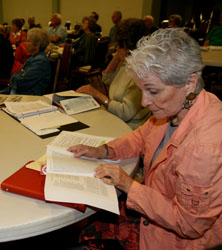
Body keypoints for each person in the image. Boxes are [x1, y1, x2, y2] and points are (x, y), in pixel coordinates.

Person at [68, 28, 222, 250]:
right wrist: (103, 151)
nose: (143, 102)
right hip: (158, 211)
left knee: (86, 231)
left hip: (175, 241)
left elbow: (188, 225)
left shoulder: (204, 149)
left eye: (153, 91)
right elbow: (141, 137)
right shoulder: (180, 105)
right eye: (142, 90)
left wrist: (129, 185)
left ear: (190, 82)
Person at [76, 18, 151, 130]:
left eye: (120, 45)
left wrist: (96, 94)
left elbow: (125, 112)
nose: (117, 48)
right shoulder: (128, 63)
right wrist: (117, 56)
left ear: (129, 47)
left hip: (127, 128)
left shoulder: (140, 72)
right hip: (113, 118)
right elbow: (106, 78)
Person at [9, 28, 51, 95]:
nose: (25, 43)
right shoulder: (33, 58)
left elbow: (20, 82)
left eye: (28, 41)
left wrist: (14, 77)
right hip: (18, 93)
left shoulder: (40, 61)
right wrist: (16, 77)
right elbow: (18, 77)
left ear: (37, 45)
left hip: (27, 97)